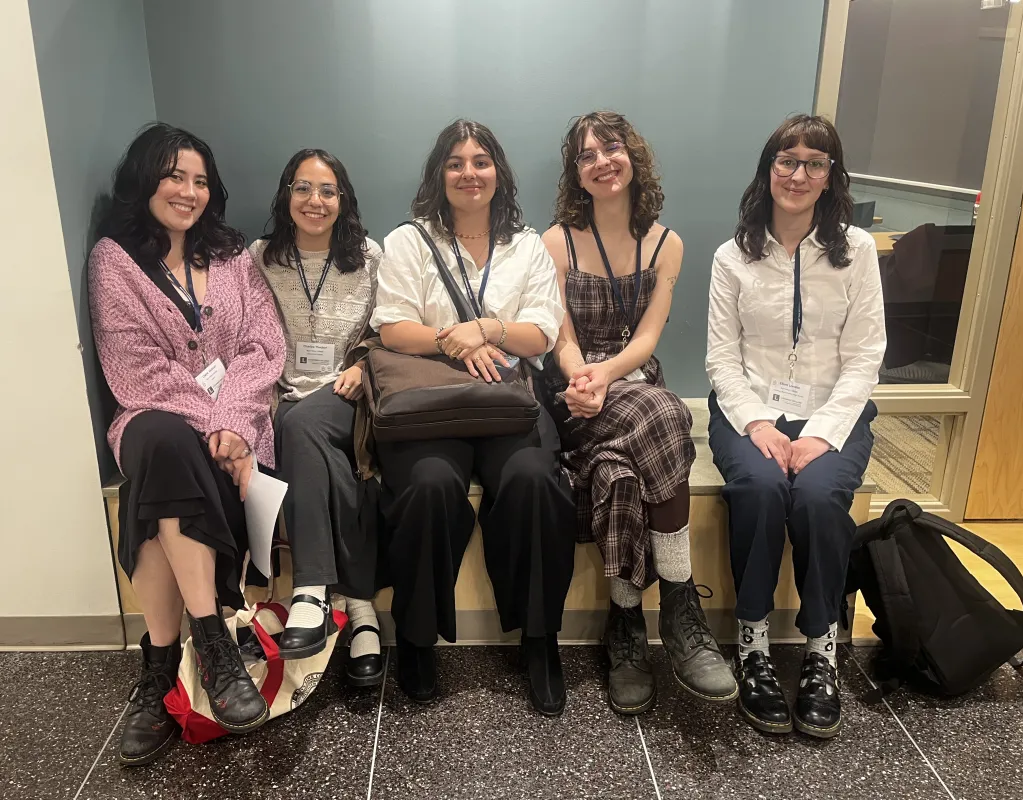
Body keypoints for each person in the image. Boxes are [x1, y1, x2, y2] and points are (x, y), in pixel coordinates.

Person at [90, 123, 286, 765]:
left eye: (201, 180)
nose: (189, 191)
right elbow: (136, 368)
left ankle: (157, 668)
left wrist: (235, 424)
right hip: (155, 418)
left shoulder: (230, 255)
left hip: (236, 428)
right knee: (162, 440)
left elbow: (264, 345)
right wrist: (213, 426)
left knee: (153, 486)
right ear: (145, 178)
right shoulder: (115, 260)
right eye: (175, 176)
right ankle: (213, 643)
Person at [369, 119, 575, 714]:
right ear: (439, 173)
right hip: (429, 399)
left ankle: (539, 637)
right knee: (429, 485)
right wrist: (452, 340)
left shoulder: (526, 246)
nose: (469, 173)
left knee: (535, 481)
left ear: (498, 172)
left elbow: (542, 334)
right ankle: (417, 636)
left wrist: (486, 329)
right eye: (455, 162)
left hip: (507, 397)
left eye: (480, 161)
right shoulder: (409, 241)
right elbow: (392, 327)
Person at [542, 111, 735, 716]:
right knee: (668, 414)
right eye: (587, 155)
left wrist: (610, 374)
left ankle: (625, 626)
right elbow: (559, 335)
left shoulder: (667, 243)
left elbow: (648, 338)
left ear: (633, 156)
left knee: (618, 475)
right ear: (576, 174)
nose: (602, 161)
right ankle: (679, 599)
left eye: (611, 148)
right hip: (575, 393)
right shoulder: (555, 241)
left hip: (632, 385)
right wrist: (584, 378)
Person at [706, 114, 885, 739]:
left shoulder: (857, 252)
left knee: (817, 496)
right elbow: (721, 357)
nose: (799, 174)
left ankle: (820, 648)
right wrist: (757, 423)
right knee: (758, 490)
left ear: (831, 176)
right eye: (787, 160)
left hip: (833, 413)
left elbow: (865, 356)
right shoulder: (733, 255)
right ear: (768, 170)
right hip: (749, 410)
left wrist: (823, 433)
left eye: (815, 163)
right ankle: (752, 643)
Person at [250, 149, 384, 687]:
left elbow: (388, 326)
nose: (315, 201)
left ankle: (310, 588)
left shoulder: (369, 257)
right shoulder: (260, 258)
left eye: (328, 190)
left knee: (301, 426)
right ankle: (360, 606)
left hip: (346, 393)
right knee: (324, 455)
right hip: (281, 392)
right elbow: (246, 333)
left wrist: (362, 365)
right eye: (303, 188)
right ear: (287, 194)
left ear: (343, 199)